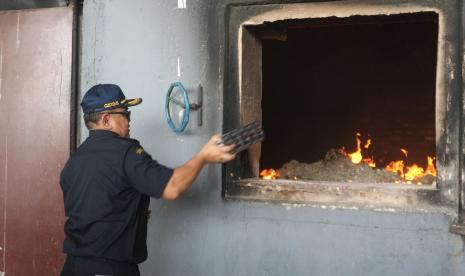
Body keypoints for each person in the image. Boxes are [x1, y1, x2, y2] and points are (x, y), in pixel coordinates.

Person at [60, 84, 235, 276]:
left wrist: (134, 210)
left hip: (73, 267)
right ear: (106, 119)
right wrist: (204, 157)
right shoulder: (125, 151)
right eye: (125, 114)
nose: (128, 121)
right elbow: (172, 187)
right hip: (109, 269)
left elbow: (99, 205)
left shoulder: (74, 161)